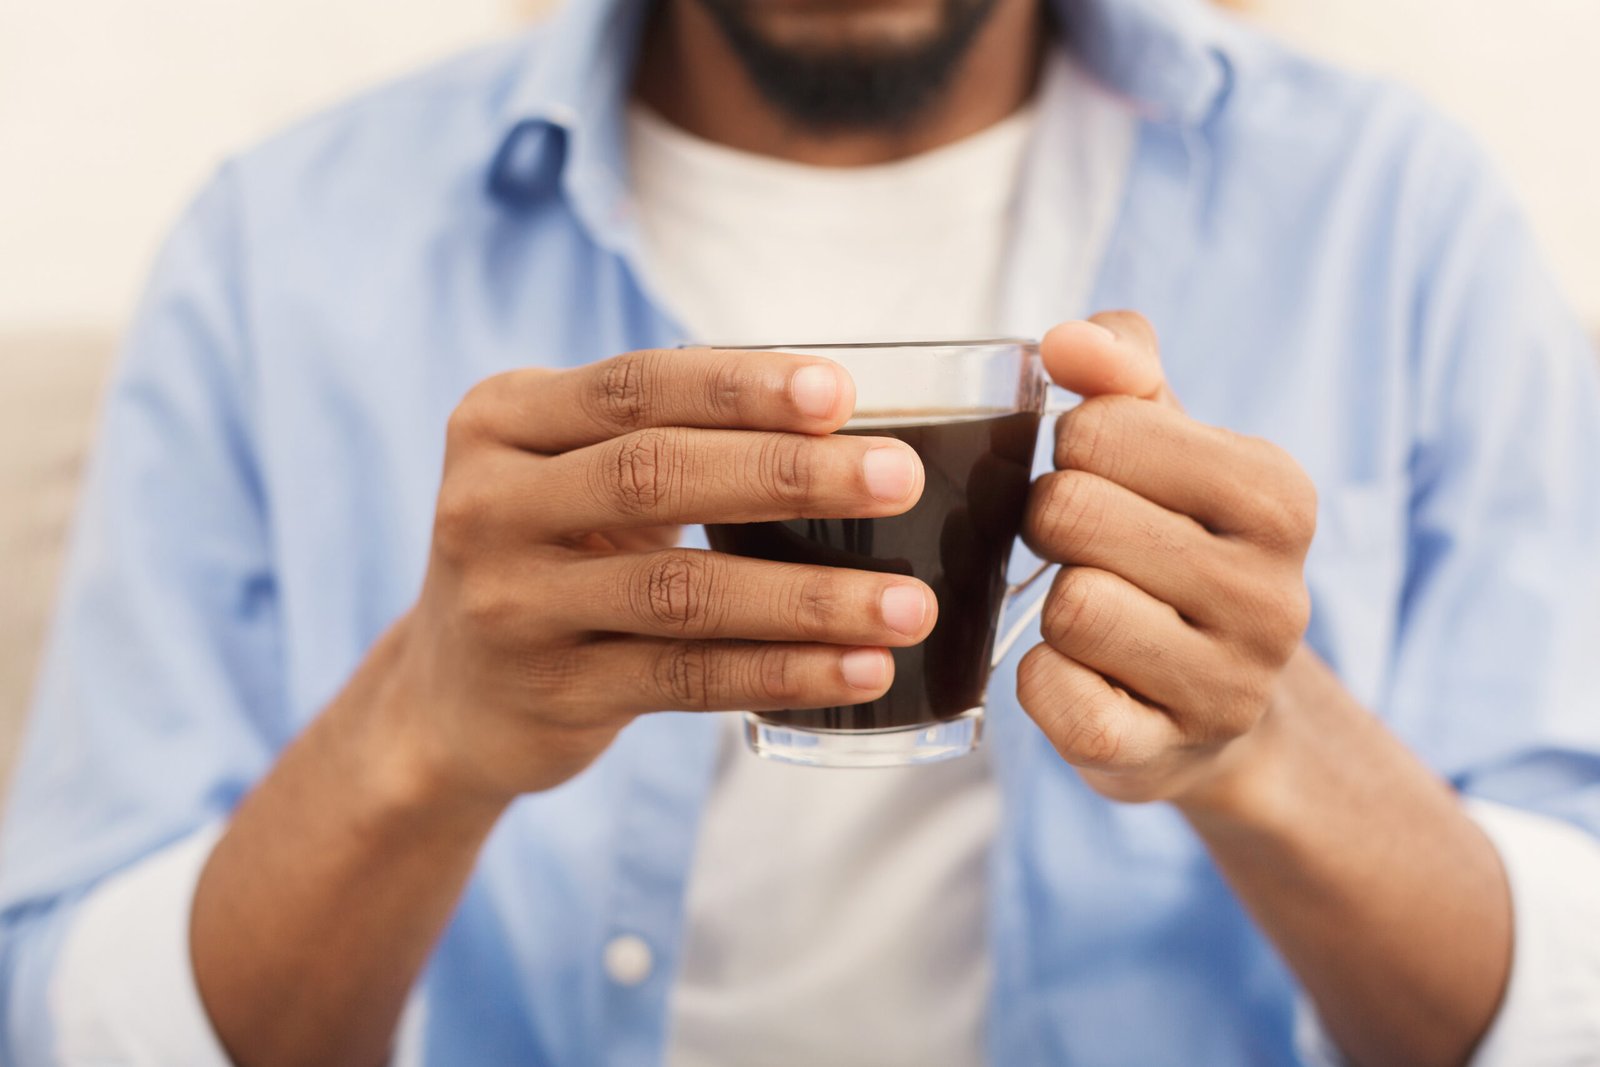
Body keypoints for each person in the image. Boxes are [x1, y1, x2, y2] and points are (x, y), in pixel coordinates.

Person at [2, 0, 1598, 1062]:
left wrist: (1262, 741)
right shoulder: (280, 248)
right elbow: (66, 1017)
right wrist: (418, 738)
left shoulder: (1393, 213)